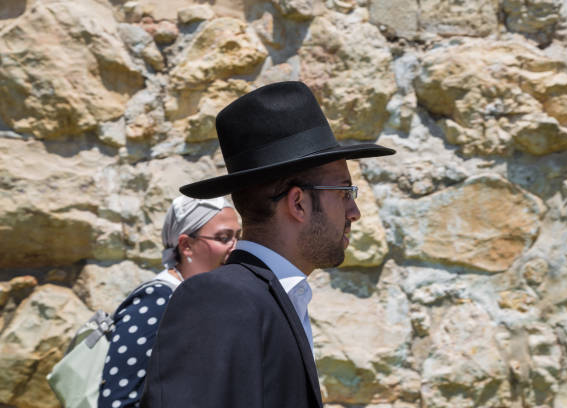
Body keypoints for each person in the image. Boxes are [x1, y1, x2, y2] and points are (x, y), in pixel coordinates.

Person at [141, 81, 395, 408]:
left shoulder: (273, 298)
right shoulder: (218, 299)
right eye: (345, 192)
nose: (354, 212)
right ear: (298, 203)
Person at [98, 196, 241, 408]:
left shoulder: (205, 300)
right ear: (186, 245)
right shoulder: (157, 300)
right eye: (223, 238)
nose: (236, 247)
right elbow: (118, 398)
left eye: (239, 237)